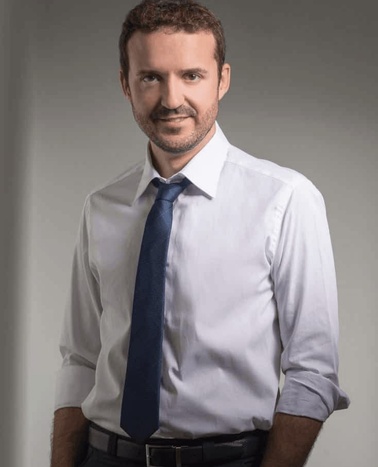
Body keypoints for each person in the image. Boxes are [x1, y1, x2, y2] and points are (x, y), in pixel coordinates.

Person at [51, 1, 350, 466]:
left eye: (191, 75)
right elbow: (81, 360)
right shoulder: (101, 208)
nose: (171, 99)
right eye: (151, 77)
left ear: (222, 80)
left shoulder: (285, 199)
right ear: (125, 83)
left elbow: (312, 372)